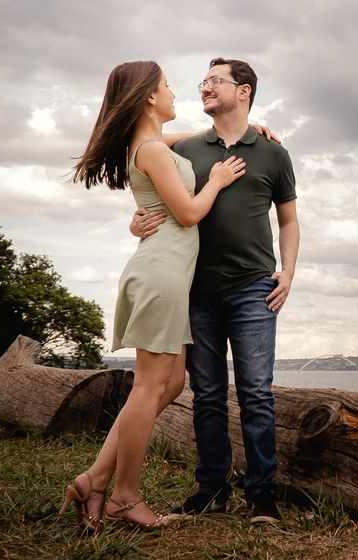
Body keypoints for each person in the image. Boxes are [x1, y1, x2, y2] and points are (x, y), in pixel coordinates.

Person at [62, 60, 246, 532]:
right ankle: (124, 496)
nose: (174, 92)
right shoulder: (150, 149)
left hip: (169, 274)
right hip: (161, 273)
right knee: (150, 386)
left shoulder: (148, 144)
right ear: (148, 96)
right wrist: (218, 181)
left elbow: (179, 139)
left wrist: (247, 128)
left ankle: (94, 480)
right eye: (166, 86)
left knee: (171, 384)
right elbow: (186, 214)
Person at [131, 57, 299, 525]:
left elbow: (288, 218)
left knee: (256, 393)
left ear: (243, 91)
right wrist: (135, 220)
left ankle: (261, 495)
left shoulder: (273, 153)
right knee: (205, 393)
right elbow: (144, 159)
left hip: (254, 288)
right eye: (203, 81)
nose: (204, 87)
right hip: (195, 288)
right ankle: (211, 491)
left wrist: (288, 271)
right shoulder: (185, 146)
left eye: (215, 81)